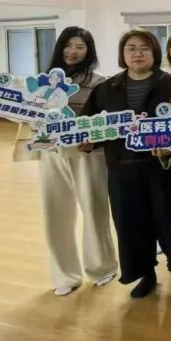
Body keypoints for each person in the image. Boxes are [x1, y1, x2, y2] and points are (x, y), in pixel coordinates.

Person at [82, 30, 171, 298]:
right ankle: (145, 273)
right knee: (131, 224)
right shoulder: (106, 88)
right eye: (131, 48)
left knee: (169, 220)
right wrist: (89, 141)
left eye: (144, 48)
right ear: (122, 54)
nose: (138, 54)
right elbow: (91, 125)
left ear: (155, 53)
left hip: (162, 168)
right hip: (122, 167)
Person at [35, 27, 117, 295]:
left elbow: (106, 120)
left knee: (94, 210)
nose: (73, 51)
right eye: (68, 45)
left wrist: (96, 138)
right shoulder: (43, 81)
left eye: (80, 47)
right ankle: (64, 275)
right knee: (55, 212)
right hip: (51, 153)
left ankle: (102, 267)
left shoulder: (100, 81)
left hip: (87, 154)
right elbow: (24, 111)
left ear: (89, 51)